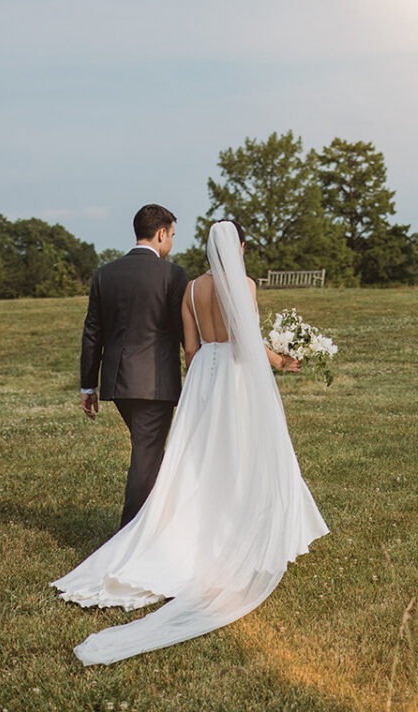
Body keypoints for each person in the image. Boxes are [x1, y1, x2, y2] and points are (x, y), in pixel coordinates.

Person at [52, 220, 330, 665]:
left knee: (198, 458)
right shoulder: (245, 284)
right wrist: (281, 360)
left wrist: (206, 377)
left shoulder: (191, 289)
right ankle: (242, 529)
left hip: (204, 377)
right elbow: (245, 339)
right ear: (238, 247)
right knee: (244, 453)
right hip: (237, 376)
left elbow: (191, 350)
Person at [79, 204, 190, 528]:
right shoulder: (172, 274)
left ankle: (163, 521)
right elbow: (185, 330)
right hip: (155, 384)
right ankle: (130, 536)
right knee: (146, 457)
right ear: (160, 234)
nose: (171, 242)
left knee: (150, 453)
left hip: (117, 382)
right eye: (171, 235)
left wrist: (89, 385)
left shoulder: (105, 273)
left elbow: (92, 332)